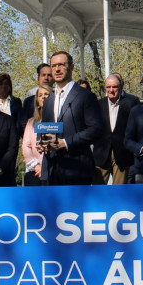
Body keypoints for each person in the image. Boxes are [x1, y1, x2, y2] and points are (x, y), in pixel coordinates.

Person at [39, 51, 103, 185]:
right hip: (53, 169)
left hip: (78, 169)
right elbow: (43, 130)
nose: (57, 69)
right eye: (54, 66)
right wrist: (42, 143)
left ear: (72, 67)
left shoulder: (86, 96)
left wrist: (66, 142)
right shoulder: (49, 100)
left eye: (61, 65)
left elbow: (96, 130)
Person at [93, 74, 140, 184]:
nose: (111, 90)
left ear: (121, 87)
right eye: (108, 87)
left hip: (122, 153)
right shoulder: (98, 104)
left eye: (114, 87)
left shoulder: (131, 102)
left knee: (119, 190)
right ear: (105, 88)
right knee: (98, 189)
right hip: (101, 153)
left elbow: (136, 127)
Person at [22, 85, 51, 186]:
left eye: (46, 94)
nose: (43, 97)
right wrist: (37, 166)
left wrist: (46, 166)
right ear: (37, 101)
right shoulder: (31, 123)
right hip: (35, 171)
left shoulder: (60, 121)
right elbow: (26, 146)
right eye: (40, 95)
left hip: (53, 171)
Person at [21, 63, 53, 135]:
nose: (46, 78)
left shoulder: (60, 98)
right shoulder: (29, 101)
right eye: (43, 75)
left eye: (49, 75)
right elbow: (24, 124)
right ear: (38, 77)